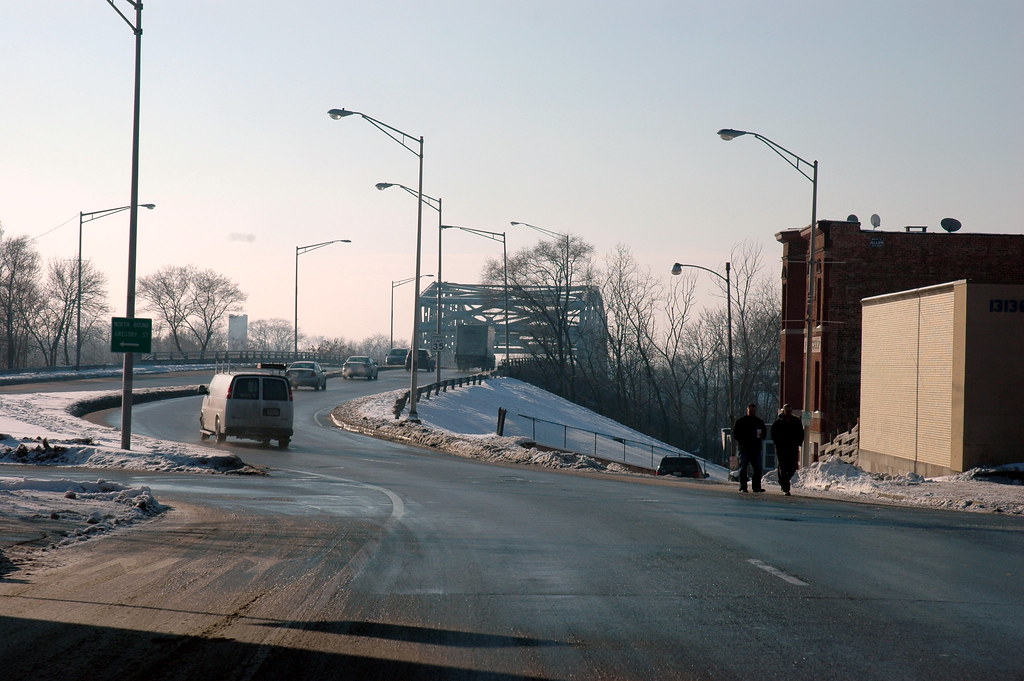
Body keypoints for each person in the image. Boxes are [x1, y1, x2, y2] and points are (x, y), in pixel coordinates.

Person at [732, 403, 767, 493]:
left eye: (754, 411)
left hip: (756, 449)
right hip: (744, 449)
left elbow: (764, 435)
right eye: (750, 411)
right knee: (743, 468)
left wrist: (762, 435)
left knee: (757, 468)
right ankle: (743, 487)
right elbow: (735, 434)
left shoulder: (759, 422)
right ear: (747, 410)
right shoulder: (741, 421)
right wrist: (742, 441)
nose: (752, 412)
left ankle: (756, 487)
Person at [771, 404, 804, 496]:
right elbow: (773, 434)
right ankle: (786, 488)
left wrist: (799, 443)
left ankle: (783, 481)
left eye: (790, 411)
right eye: (787, 411)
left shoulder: (796, 421)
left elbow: (801, 433)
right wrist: (777, 444)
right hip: (781, 448)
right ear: (783, 411)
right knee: (783, 467)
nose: (789, 413)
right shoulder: (778, 422)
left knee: (793, 467)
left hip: (792, 447)